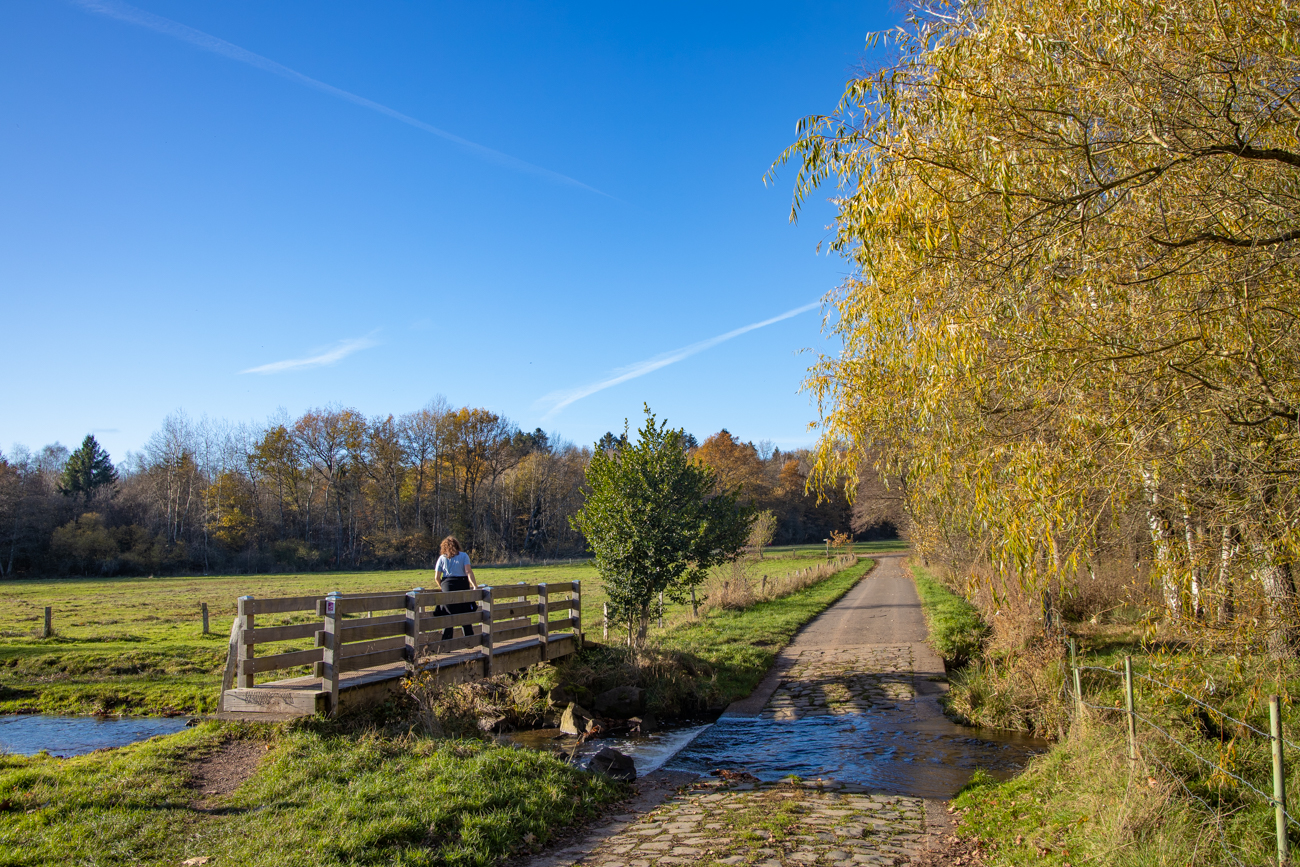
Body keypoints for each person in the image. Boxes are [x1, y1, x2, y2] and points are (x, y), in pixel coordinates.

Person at [433, 536, 478, 640]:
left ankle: (446, 643)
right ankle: (469, 640)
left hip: (447, 585)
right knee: (464, 611)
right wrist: (475, 586)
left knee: (448, 614)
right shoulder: (464, 556)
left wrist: (442, 587)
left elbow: (436, 577)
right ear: (457, 545)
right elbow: (468, 572)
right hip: (462, 584)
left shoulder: (442, 558)